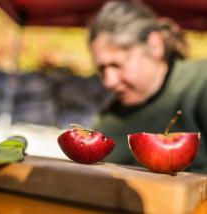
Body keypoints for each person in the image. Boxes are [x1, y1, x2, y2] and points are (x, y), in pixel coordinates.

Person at [88, 0, 207, 172]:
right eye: (101, 69)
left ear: (154, 45)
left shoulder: (200, 84)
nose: (109, 81)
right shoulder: (107, 122)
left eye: (116, 65)